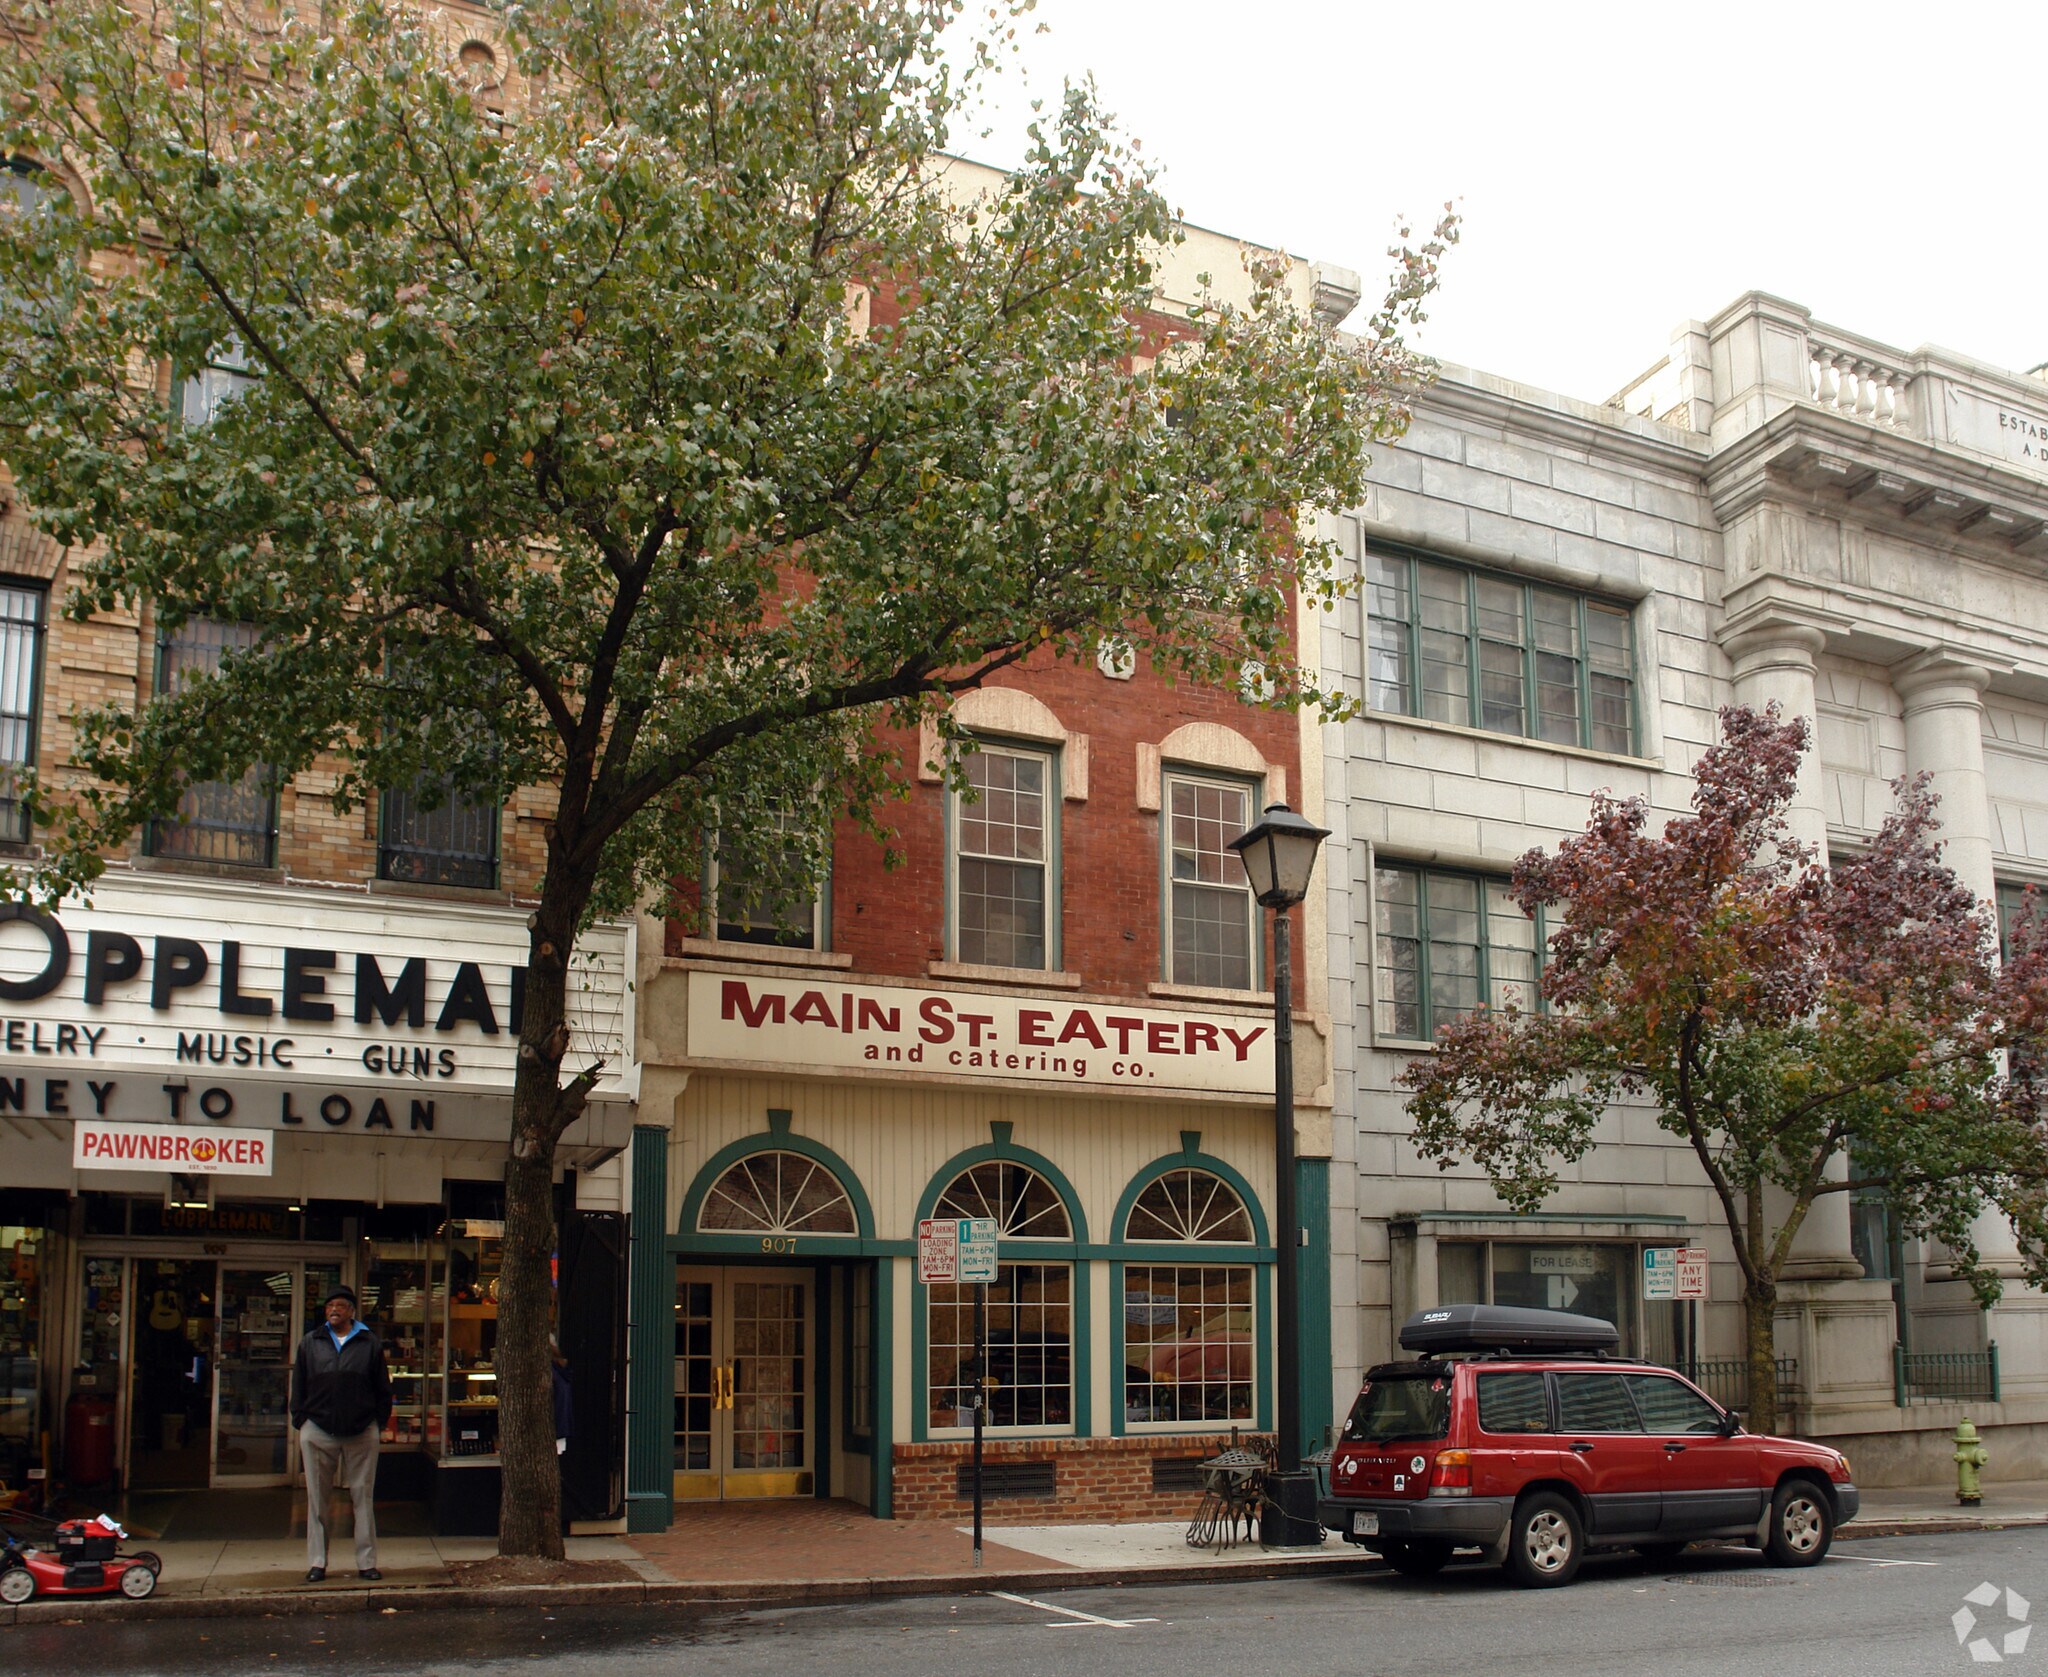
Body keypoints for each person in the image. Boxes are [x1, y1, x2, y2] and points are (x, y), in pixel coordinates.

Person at [290, 1284, 392, 1583]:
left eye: (340, 1306)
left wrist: (378, 1421)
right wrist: (301, 1420)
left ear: (351, 1311)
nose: (333, 1310)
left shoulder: (369, 1343)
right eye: (329, 1306)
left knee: (363, 1497)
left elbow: (382, 1387)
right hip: (318, 1428)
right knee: (318, 1499)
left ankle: (367, 1563)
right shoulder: (311, 1342)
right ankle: (317, 1562)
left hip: (361, 1429)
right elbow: (299, 1382)